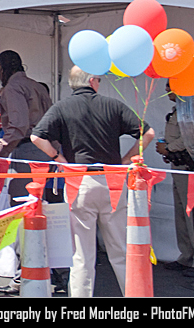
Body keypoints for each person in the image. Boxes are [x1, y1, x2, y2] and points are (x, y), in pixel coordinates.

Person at [30, 65, 155, 297]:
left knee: (81, 256)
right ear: (93, 81)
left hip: (79, 183)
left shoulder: (61, 107)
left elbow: (36, 136)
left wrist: (59, 158)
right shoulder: (113, 105)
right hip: (112, 182)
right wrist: (126, 159)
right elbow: (148, 133)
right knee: (120, 249)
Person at [155, 82, 194, 278]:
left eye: (170, 87)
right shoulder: (178, 111)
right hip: (181, 167)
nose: (166, 90)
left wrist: (170, 148)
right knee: (183, 215)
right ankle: (188, 256)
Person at [0, 50, 52, 204]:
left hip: (26, 151)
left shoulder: (13, 87)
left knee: (21, 205)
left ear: (1, 67)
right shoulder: (37, 86)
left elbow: (18, 125)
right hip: (45, 150)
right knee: (40, 203)